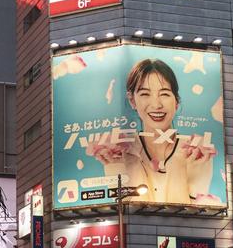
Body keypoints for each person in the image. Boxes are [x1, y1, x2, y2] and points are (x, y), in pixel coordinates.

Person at [88, 58, 218, 206]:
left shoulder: (196, 152)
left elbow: (197, 217)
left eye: (164, 94)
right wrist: (121, 165)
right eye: (145, 94)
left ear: (176, 102)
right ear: (132, 101)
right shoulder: (119, 151)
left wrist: (188, 170)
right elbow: (130, 216)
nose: (156, 105)